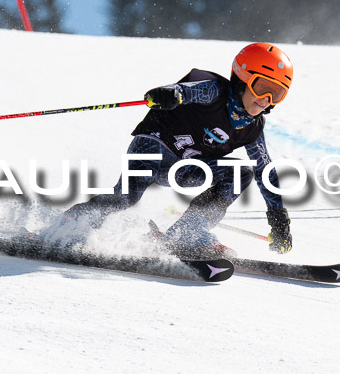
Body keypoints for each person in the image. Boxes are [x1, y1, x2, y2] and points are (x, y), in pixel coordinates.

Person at [57, 42, 293, 258]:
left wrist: (278, 218)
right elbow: (186, 90)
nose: (267, 99)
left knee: (241, 172)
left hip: (183, 168)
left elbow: (265, 172)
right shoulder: (214, 92)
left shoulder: (252, 127)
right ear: (242, 78)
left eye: (278, 93)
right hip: (152, 148)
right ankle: (70, 225)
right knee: (127, 196)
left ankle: (187, 233)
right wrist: (170, 94)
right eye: (262, 87)